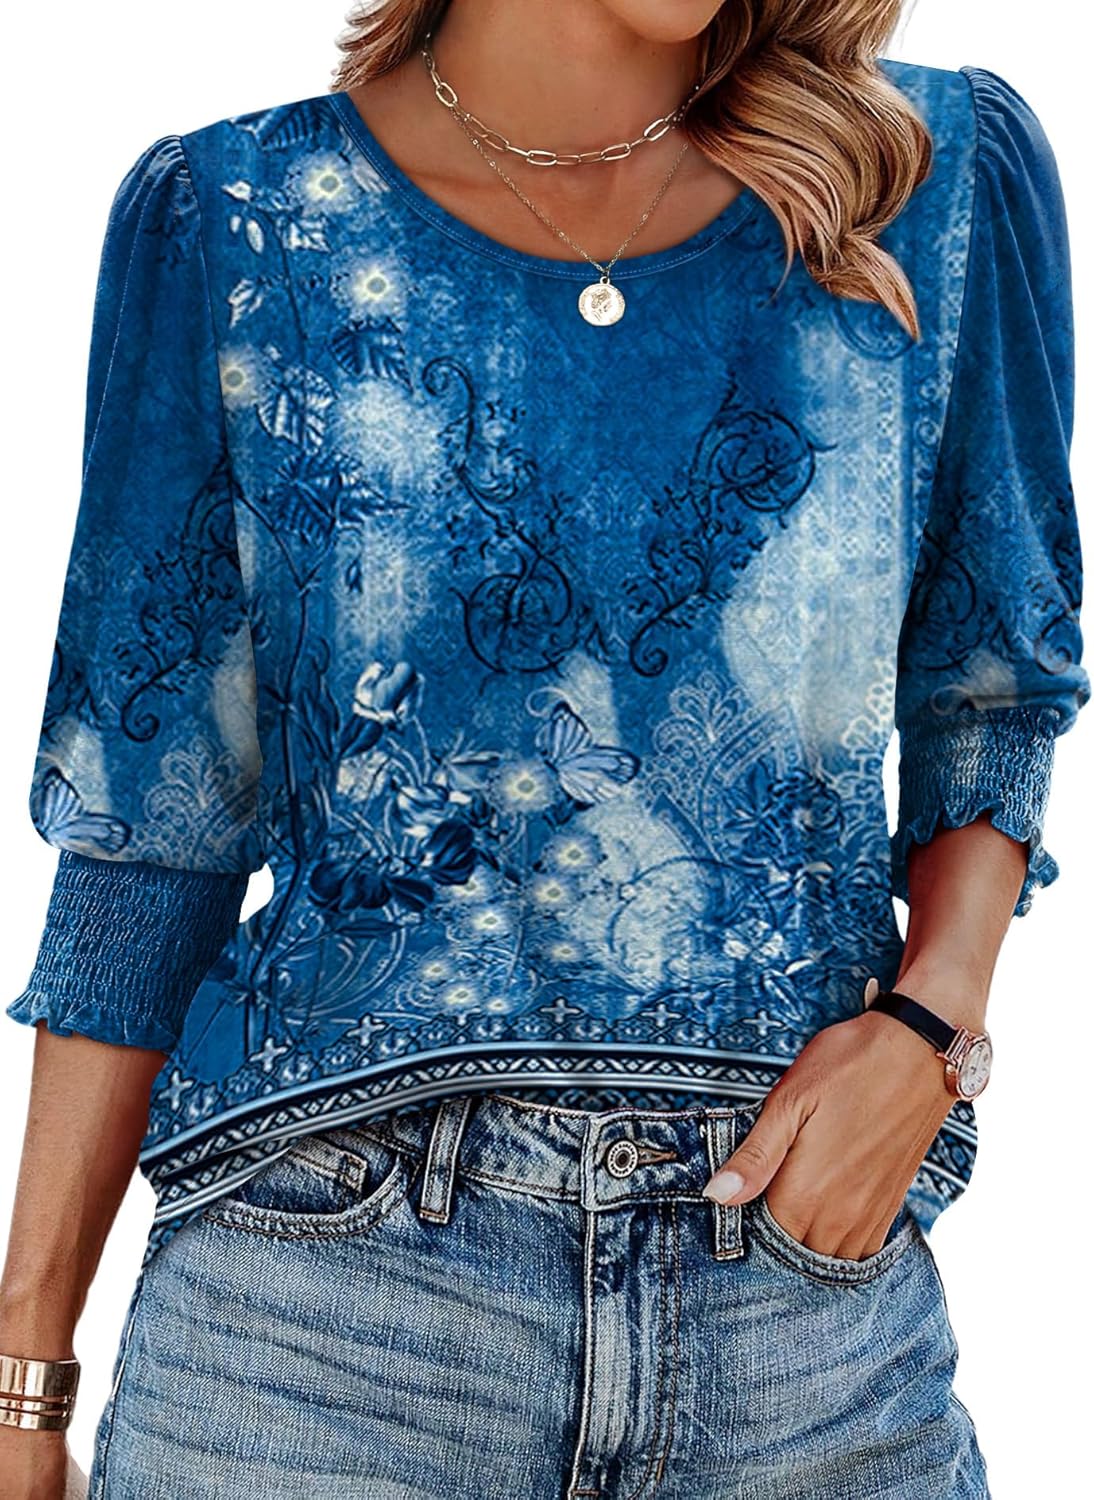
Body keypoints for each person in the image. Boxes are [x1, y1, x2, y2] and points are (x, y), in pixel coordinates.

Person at [0, 0, 1087, 1495]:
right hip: (321, 1316)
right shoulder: (243, 223)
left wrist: (931, 1028)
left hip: (799, 1306)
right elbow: (154, 821)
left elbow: (991, 681)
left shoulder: (920, 177)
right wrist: (24, 1378)